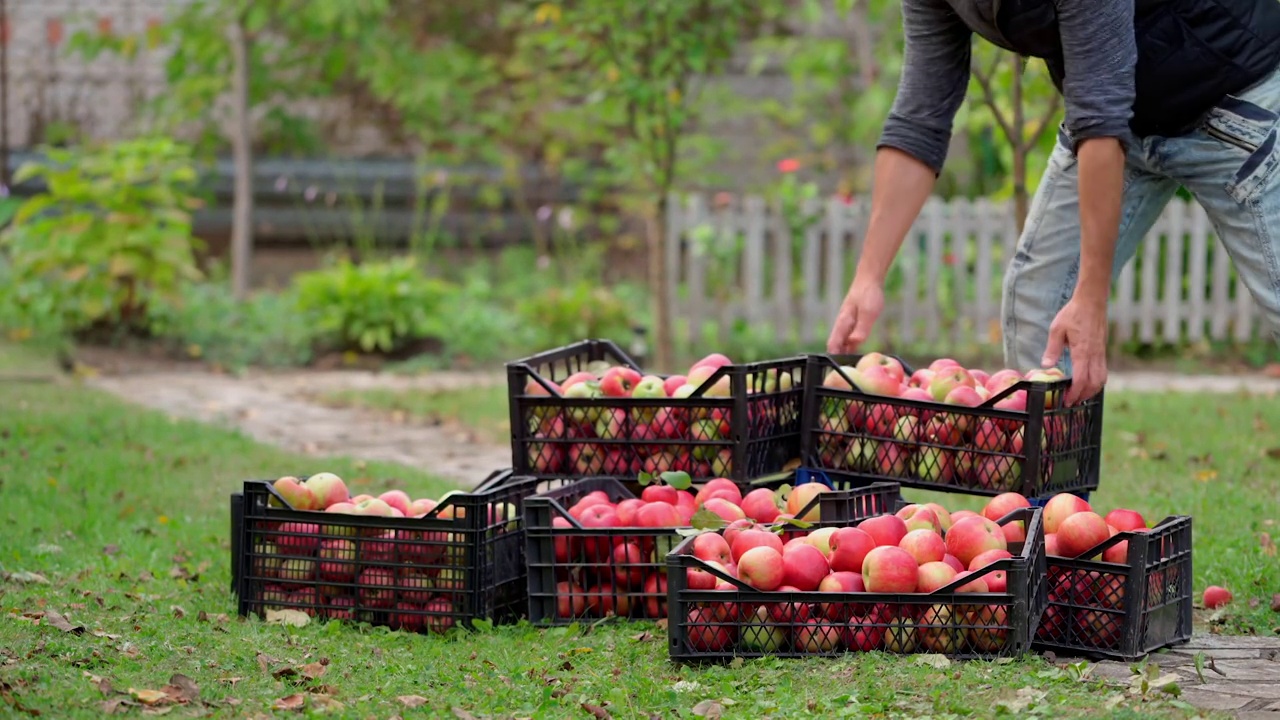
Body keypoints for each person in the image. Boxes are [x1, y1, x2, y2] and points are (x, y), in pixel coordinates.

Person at [826, 0, 1280, 405]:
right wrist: (868, 278)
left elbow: (1101, 116)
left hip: (1238, 99)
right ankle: (1047, 498)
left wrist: (1091, 298)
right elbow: (920, 115)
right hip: (1117, 121)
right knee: (1039, 309)